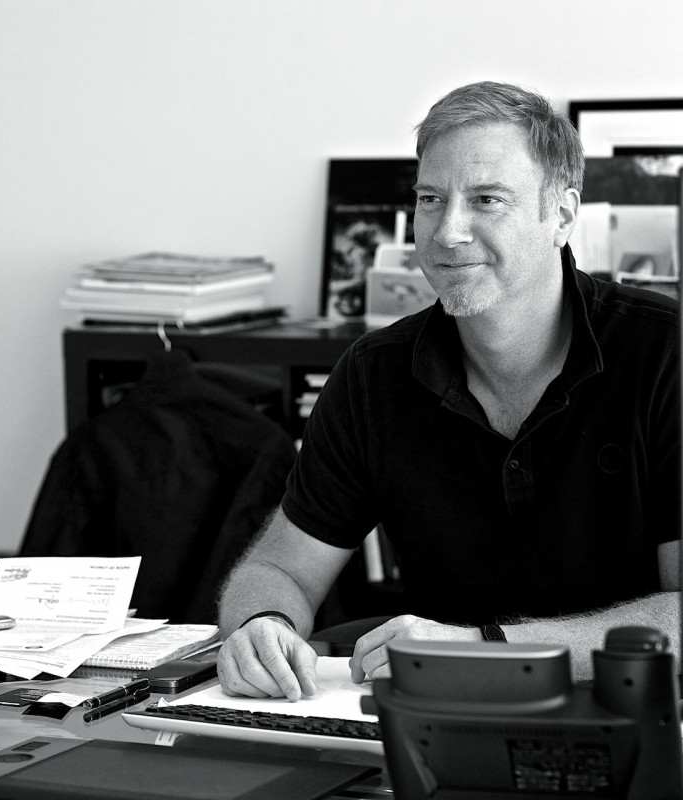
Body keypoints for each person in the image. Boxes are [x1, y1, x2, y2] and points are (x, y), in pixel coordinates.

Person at [217, 81, 681, 699]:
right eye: (431, 198)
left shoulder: (665, 353)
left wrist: (485, 649)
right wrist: (260, 628)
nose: (447, 231)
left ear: (562, 216)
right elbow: (279, 568)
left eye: (487, 200)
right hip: (437, 721)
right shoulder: (372, 375)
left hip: (636, 715)